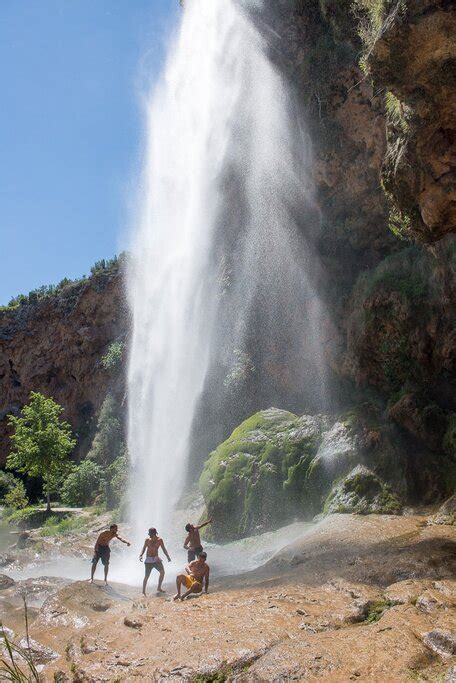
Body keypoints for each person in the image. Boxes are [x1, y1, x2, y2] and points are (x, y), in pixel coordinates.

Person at [139, 527, 171, 595]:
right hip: (149, 560)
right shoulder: (147, 540)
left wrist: (167, 556)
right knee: (147, 576)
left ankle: (159, 587)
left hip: (156, 559)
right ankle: (143, 592)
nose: (148, 534)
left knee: (162, 572)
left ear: (153, 533)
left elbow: (164, 549)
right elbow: (143, 548)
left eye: (149, 533)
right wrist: (141, 555)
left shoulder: (160, 540)